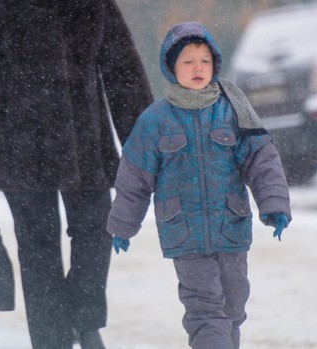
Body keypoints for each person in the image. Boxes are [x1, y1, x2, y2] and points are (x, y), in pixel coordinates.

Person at [0, 0, 153, 349]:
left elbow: (122, 70)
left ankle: (84, 321)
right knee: (38, 251)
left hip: (85, 143)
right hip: (20, 147)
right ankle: (52, 341)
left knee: (96, 231)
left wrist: (144, 143)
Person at [107, 21, 292, 349]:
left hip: (231, 230)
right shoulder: (155, 120)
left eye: (204, 61)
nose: (197, 68)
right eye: (188, 62)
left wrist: (274, 203)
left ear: (215, 65)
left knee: (233, 307)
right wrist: (122, 224)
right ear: (171, 67)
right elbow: (134, 179)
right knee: (205, 310)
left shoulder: (233, 110)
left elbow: (262, 161)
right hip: (185, 236)